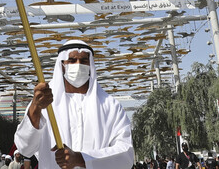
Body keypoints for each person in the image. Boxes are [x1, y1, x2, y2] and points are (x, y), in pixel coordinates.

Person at [15, 40, 134, 169]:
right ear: (62, 65)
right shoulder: (44, 103)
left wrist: (82, 159)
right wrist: (35, 109)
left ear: (90, 65)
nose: (78, 65)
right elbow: (25, 148)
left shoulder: (110, 106)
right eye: (72, 61)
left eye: (83, 61)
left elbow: (126, 154)